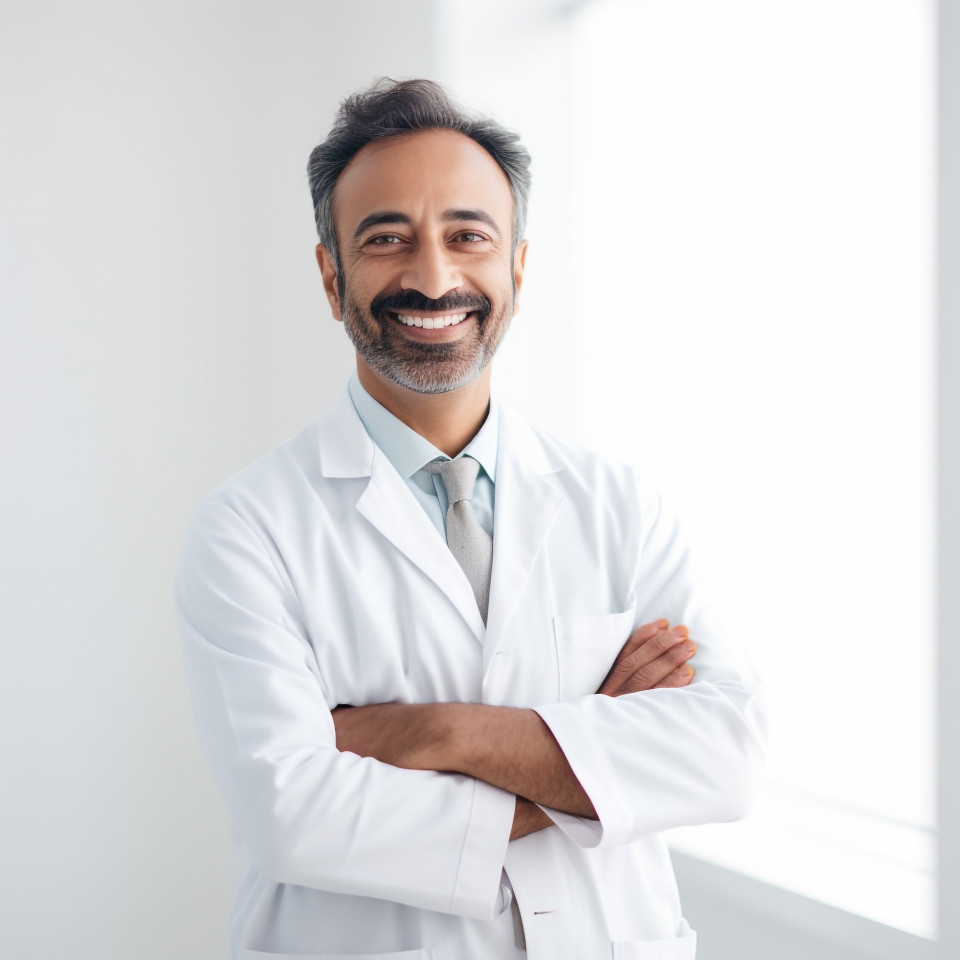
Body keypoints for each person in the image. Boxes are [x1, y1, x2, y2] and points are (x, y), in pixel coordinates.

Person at [175, 78, 765, 960]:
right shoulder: (246, 529)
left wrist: (430, 732)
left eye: (467, 236)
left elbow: (723, 753)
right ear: (332, 277)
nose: (434, 276)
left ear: (517, 269)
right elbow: (293, 818)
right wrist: (595, 753)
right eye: (386, 239)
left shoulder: (619, 504)